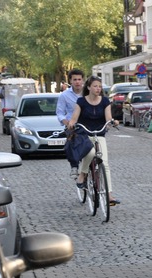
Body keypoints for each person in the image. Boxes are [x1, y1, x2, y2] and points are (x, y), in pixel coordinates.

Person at [68, 76, 120, 205]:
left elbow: (108, 117)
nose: (98, 89)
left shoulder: (105, 101)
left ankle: (109, 196)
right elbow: (74, 117)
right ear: (89, 87)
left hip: (99, 133)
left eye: (100, 86)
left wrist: (112, 122)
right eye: (95, 86)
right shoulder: (81, 101)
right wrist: (72, 123)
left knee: (105, 163)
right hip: (84, 135)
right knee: (91, 153)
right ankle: (83, 175)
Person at [56, 69, 85, 178]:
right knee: (71, 143)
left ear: (83, 80)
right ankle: (74, 166)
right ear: (70, 81)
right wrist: (66, 122)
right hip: (72, 125)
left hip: (87, 123)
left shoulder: (88, 93)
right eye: (75, 80)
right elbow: (59, 112)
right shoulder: (64, 95)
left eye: (79, 79)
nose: (77, 82)